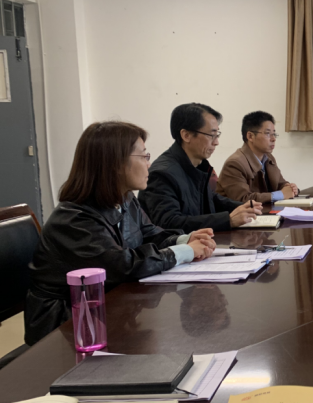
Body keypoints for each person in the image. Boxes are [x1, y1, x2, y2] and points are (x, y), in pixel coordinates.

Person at [25, 121, 216, 346]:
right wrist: (184, 251)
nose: (149, 163)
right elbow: (124, 266)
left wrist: (186, 239)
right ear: (116, 163)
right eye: (144, 156)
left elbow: (150, 234)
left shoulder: (124, 198)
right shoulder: (74, 220)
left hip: (104, 310)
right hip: (64, 327)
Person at [138, 103, 261, 231]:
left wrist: (244, 206)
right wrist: (228, 220)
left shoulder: (197, 164)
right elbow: (169, 223)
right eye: (211, 135)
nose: (216, 142)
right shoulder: (162, 174)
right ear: (186, 135)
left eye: (217, 135)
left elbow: (210, 198)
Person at [216, 111, 299, 203]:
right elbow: (243, 199)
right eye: (268, 133)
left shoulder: (268, 158)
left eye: (274, 134)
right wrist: (281, 194)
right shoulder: (234, 163)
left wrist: (289, 187)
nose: (273, 139)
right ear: (250, 136)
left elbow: (280, 183)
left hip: (265, 210)